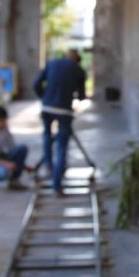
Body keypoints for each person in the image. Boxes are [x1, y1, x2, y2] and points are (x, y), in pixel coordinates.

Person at [33, 49, 87, 195]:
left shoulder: (52, 63)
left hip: (47, 108)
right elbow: (82, 96)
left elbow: (36, 85)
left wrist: (45, 98)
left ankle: (48, 165)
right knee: (62, 145)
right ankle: (57, 183)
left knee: (47, 135)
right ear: (77, 60)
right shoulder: (78, 70)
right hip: (64, 110)